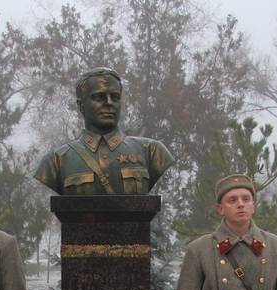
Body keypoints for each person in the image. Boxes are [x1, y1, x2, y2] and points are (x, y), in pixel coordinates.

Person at [34, 67, 173, 195]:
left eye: (115, 97)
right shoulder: (56, 161)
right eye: (99, 97)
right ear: (81, 105)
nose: (109, 103)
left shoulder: (152, 151)